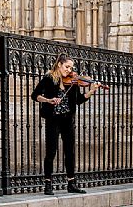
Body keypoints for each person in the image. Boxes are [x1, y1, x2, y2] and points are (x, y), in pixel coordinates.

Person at [31, 53, 101, 195]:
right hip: (53, 119)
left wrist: (92, 90)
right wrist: (48, 100)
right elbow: (35, 95)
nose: (69, 70)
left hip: (67, 119)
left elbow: (79, 100)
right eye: (67, 67)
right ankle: (48, 184)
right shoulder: (49, 78)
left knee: (70, 151)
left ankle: (71, 183)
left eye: (71, 68)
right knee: (51, 151)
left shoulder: (73, 81)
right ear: (59, 65)